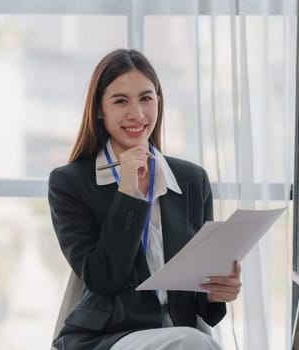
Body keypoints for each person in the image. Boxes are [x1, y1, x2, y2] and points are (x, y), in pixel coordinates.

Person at [48, 49, 242, 350]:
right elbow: (103, 278)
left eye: (146, 98)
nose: (137, 114)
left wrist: (216, 292)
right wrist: (128, 194)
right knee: (195, 343)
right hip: (108, 338)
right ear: (99, 109)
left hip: (177, 332)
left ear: (159, 102)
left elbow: (200, 304)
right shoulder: (71, 183)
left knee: (194, 340)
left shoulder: (192, 180)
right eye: (120, 101)